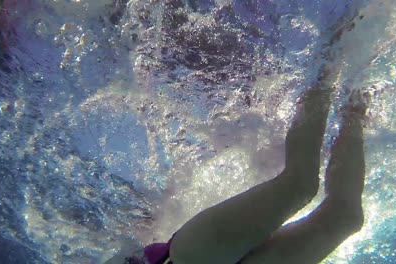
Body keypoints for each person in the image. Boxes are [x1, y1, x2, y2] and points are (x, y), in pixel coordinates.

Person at [108, 15, 367, 264]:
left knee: (299, 185)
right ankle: (358, 99)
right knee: (346, 217)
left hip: (193, 259)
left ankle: (334, 52)